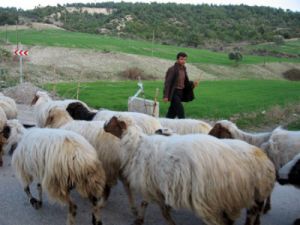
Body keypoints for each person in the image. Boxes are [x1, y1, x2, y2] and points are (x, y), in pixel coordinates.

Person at [163, 52, 198, 119]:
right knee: (180, 111)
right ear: (177, 59)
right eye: (181, 59)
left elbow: (185, 82)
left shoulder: (184, 69)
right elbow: (168, 83)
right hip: (174, 93)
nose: (183, 61)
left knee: (171, 113)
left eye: (185, 59)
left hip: (180, 93)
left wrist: (193, 84)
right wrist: (166, 96)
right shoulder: (172, 69)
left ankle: (165, 124)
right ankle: (184, 125)